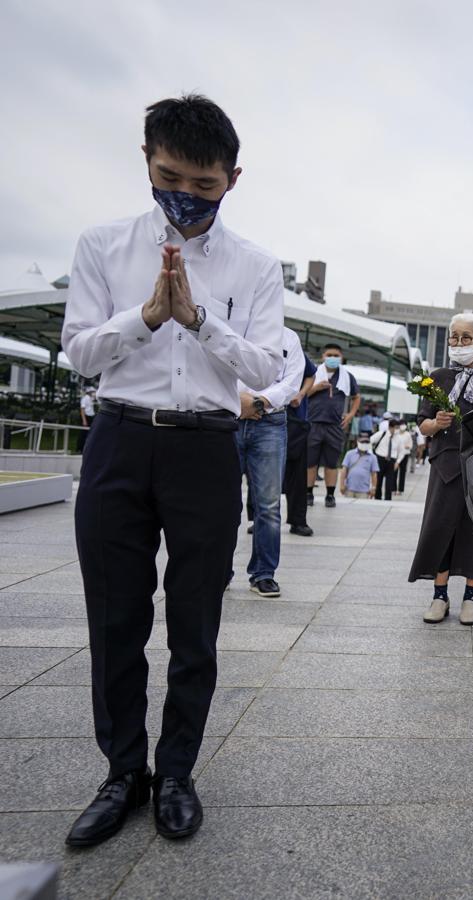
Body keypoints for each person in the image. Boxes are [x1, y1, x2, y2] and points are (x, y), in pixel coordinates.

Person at [60, 94, 283, 846]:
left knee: (196, 622)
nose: (184, 195)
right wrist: (146, 316)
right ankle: (123, 771)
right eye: (169, 176)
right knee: (115, 619)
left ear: (232, 179)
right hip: (120, 438)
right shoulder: (103, 246)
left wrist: (196, 319)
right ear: (148, 161)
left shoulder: (255, 267)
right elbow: (79, 350)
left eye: (204, 184)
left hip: (205, 448)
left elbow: (265, 364)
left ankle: (177, 770)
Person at [409, 312, 473, 626]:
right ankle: (439, 595)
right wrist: (435, 423)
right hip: (445, 464)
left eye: (466, 337)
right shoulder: (436, 378)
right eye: (454, 336)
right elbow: (422, 425)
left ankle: (471, 597)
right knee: (439, 528)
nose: (459, 343)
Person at [235, 325, 306, 597]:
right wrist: (238, 402)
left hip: (271, 421)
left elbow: (292, 382)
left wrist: (258, 403)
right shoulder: (233, 327)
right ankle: (219, 570)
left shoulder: (289, 337)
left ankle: (263, 573)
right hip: (229, 417)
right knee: (223, 500)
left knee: (269, 503)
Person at [305, 343, 360, 508]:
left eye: (336, 355)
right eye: (329, 355)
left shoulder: (347, 376)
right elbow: (301, 394)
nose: (333, 358)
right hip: (313, 422)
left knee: (332, 462)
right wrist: (316, 387)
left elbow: (356, 396)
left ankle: (330, 495)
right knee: (310, 462)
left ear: (341, 357)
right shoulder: (313, 373)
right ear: (323, 356)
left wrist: (350, 415)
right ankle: (308, 493)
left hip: (335, 425)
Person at [283, 347, 317, 536]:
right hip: (261, 415)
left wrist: (301, 393)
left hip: (294, 419)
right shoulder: (254, 337)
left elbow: (311, 373)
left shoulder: (290, 342)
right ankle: (259, 520)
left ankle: (298, 521)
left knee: (297, 474)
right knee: (260, 472)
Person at [339, 434, 380, 499]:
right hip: (349, 489)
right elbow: (344, 470)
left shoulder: (373, 457)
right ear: (358, 442)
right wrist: (341, 485)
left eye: (366, 442)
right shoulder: (349, 454)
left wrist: (373, 488)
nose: (364, 444)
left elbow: (374, 474)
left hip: (364, 491)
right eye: (362, 442)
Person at [372, 411, 399, 501]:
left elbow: (401, 450)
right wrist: (371, 455)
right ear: (390, 427)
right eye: (395, 428)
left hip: (391, 460)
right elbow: (370, 440)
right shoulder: (382, 434)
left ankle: (388, 499)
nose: (396, 430)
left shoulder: (397, 437)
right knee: (379, 480)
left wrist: (397, 462)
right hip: (380, 459)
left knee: (389, 481)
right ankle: (377, 497)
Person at [394, 419, 413, 495]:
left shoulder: (408, 434)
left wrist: (405, 446)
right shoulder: (396, 433)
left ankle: (400, 490)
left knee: (402, 472)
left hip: (405, 454)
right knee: (394, 472)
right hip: (396, 454)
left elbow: (410, 445)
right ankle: (393, 489)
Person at [77, 387, 96, 451]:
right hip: (86, 417)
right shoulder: (85, 398)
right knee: (83, 433)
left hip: (91, 417)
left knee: (89, 433)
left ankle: (86, 448)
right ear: (89, 392)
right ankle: (80, 448)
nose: (94, 393)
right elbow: (82, 410)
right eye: (93, 392)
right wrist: (84, 420)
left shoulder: (91, 399)